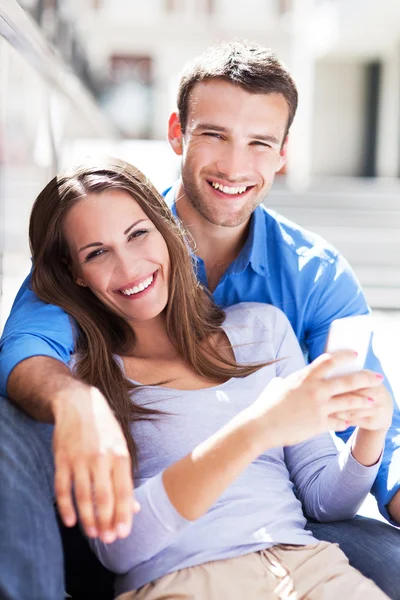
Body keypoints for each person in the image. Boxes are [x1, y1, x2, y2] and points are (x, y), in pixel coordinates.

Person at [0, 41, 399, 599]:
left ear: (284, 153)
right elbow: (23, 348)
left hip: (295, 548)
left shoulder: (297, 292)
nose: (235, 165)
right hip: (164, 557)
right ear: (177, 134)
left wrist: (373, 434)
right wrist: (75, 402)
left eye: (259, 142)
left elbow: (336, 469)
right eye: (214, 134)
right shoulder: (97, 304)